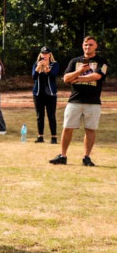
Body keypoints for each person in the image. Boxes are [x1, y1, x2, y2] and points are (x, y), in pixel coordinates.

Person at [51, 36, 108, 166]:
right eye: (86, 45)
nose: (88, 47)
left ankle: (86, 157)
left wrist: (77, 79)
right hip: (74, 101)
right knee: (67, 128)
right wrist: (80, 71)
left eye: (91, 45)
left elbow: (97, 76)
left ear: (96, 46)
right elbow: (65, 78)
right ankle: (63, 156)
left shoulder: (102, 61)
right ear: (83, 46)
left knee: (90, 129)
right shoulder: (74, 61)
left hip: (93, 102)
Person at [32, 46, 59, 144]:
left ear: (50, 54)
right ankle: (40, 136)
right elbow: (34, 77)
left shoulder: (54, 64)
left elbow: (53, 75)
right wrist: (38, 68)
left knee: (51, 115)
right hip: (38, 93)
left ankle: (54, 137)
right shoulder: (36, 64)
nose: (44, 55)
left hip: (50, 94)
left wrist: (48, 70)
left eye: (46, 53)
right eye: (43, 53)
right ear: (40, 54)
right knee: (40, 116)